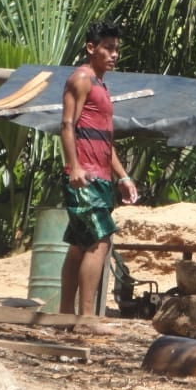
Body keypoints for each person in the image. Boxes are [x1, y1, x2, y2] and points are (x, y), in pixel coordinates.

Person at [59, 19, 138, 333]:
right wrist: (74, 166)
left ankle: (64, 317)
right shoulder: (81, 78)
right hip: (85, 176)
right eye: (107, 48)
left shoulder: (102, 85)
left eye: (116, 49)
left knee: (80, 245)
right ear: (91, 48)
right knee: (99, 242)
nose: (113, 54)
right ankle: (87, 318)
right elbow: (66, 125)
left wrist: (123, 177)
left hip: (101, 176)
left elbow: (105, 141)